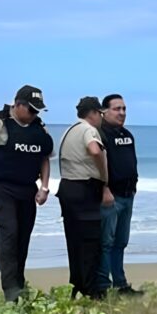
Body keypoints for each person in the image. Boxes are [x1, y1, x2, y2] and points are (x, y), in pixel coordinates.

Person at [0, 85, 54, 301]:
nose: (34, 114)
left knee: (23, 237)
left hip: (27, 189)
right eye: (31, 110)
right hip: (1, 188)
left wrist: (44, 187)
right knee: (9, 232)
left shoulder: (38, 127)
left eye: (38, 111)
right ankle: (10, 290)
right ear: (17, 105)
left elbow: (44, 158)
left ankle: (19, 282)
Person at [57, 97, 113, 299]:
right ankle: (91, 290)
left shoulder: (69, 130)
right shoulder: (89, 130)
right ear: (93, 113)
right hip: (84, 188)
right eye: (100, 113)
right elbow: (94, 150)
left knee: (74, 241)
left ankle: (77, 286)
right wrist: (104, 177)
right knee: (90, 242)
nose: (101, 118)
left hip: (67, 188)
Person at [97, 94, 142, 295]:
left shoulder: (127, 135)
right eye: (117, 109)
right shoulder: (99, 135)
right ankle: (103, 286)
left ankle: (121, 284)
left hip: (128, 194)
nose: (122, 113)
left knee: (121, 242)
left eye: (124, 109)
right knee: (106, 243)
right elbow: (99, 165)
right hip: (110, 196)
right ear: (104, 111)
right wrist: (105, 189)